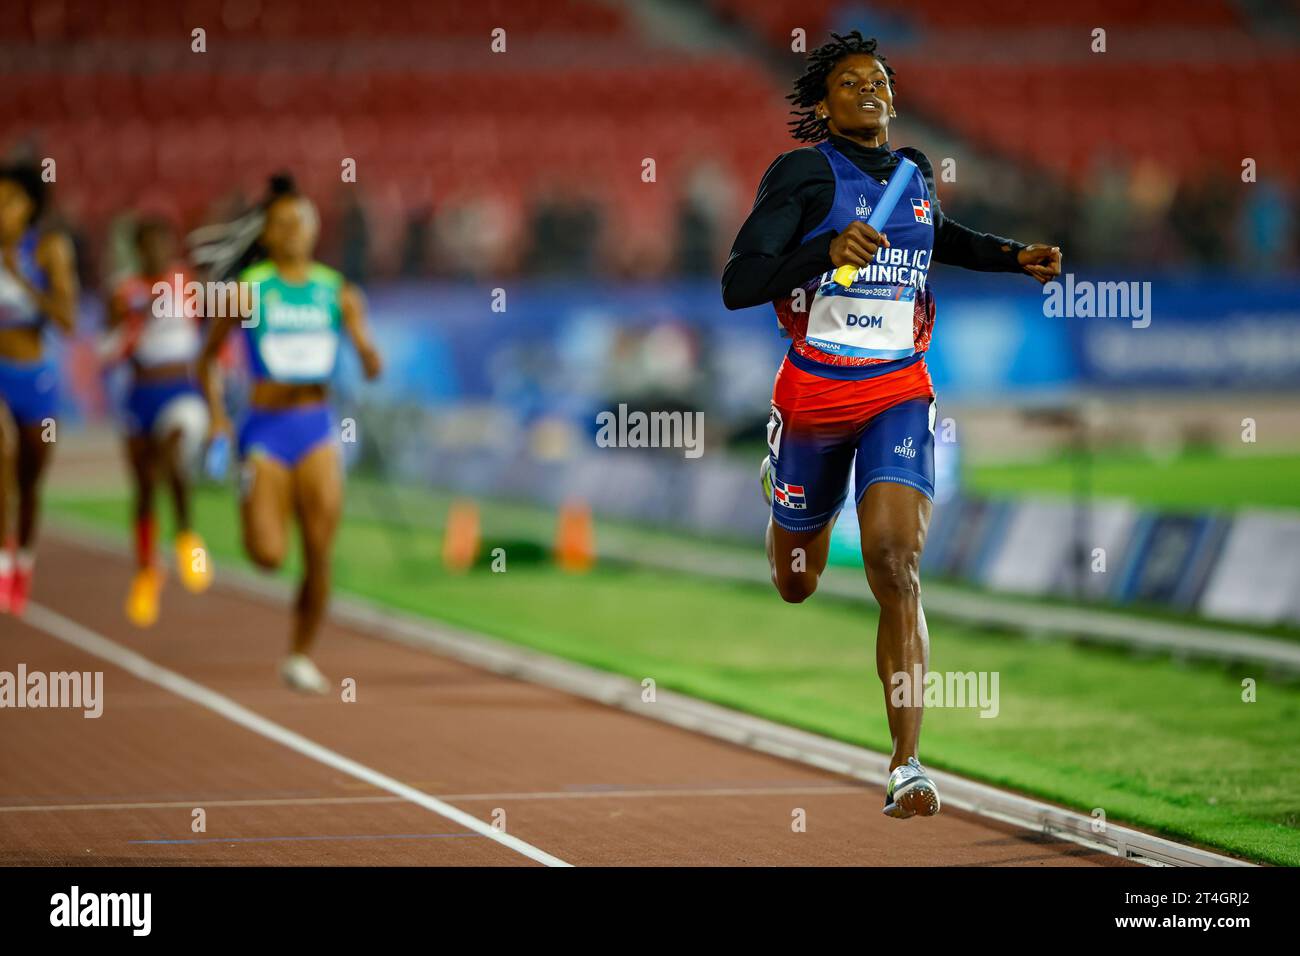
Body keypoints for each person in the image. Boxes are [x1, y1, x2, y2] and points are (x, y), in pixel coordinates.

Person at [721, 32, 1061, 819]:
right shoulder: (804, 174)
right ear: (823, 103)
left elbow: (939, 238)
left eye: (878, 79)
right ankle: (782, 484)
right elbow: (741, 282)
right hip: (812, 396)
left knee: (895, 564)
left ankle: (907, 764)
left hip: (895, 391)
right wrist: (821, 249)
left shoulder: (913, 172)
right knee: (796, 584)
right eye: (849, 80)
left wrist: (1015, 258)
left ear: (895, 97)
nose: (868, 88)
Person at [196, 175, 382, 693]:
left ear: (312, 230)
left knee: (321, 551)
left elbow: (368, 355)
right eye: (282, 224)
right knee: (268, 557)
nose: (292, 232)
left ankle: (300, 655)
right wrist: (217, 418)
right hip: (264, 430)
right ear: (269, 235)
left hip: (317, 429)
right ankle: (246, 491)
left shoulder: (335, 290)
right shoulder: (248, 292)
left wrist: (369, 356)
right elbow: (205, 362)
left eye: (300, 222)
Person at [104, 216, 212, 626]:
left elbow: (213, 331)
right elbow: (107, 344)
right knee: (145, 485)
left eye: (163, 244)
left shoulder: (188, 284)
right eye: (147, 245)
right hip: (139, 393)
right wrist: (128, 326)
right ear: (136, 250)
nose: (156, 252)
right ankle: (147, 571)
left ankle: (187, 538)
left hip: (181, 389)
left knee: (174, 454)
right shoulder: (124, 290)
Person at [0, 163, 78, 616]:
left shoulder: (48, 249)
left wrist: (24, 279)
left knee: (30, 479)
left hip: (37, 379)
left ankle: (23, 560)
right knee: (2, 452)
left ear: (30, 206)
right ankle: (3, 561)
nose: (1, 210)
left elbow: (66, 320)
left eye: (10, 201)